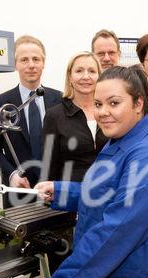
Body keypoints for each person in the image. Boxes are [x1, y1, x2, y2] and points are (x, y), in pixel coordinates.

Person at [33, 65, 148, 278]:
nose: (103, 112)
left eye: (114, 103)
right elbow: (106, 193)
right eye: (98, 104)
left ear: (138, 104)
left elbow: (116, 232)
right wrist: (62, 192)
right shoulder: (121, 140)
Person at [0, 35, 62, 208]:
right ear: (15, 64)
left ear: (43, 63)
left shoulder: (60, 100)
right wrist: (11, 174)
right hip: (19, 193)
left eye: (36, 59)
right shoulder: (0, 104)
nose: (31, 65)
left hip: (55, 192)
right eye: (24, 59)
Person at [42, 51, 108, 182]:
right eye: (79, 71)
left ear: (99, 76)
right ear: (70, 77)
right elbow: (49, 167)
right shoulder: (54, 116)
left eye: (92, 71)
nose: (86, 76)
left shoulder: (110, 111)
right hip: (69, 195)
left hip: (109, 193)